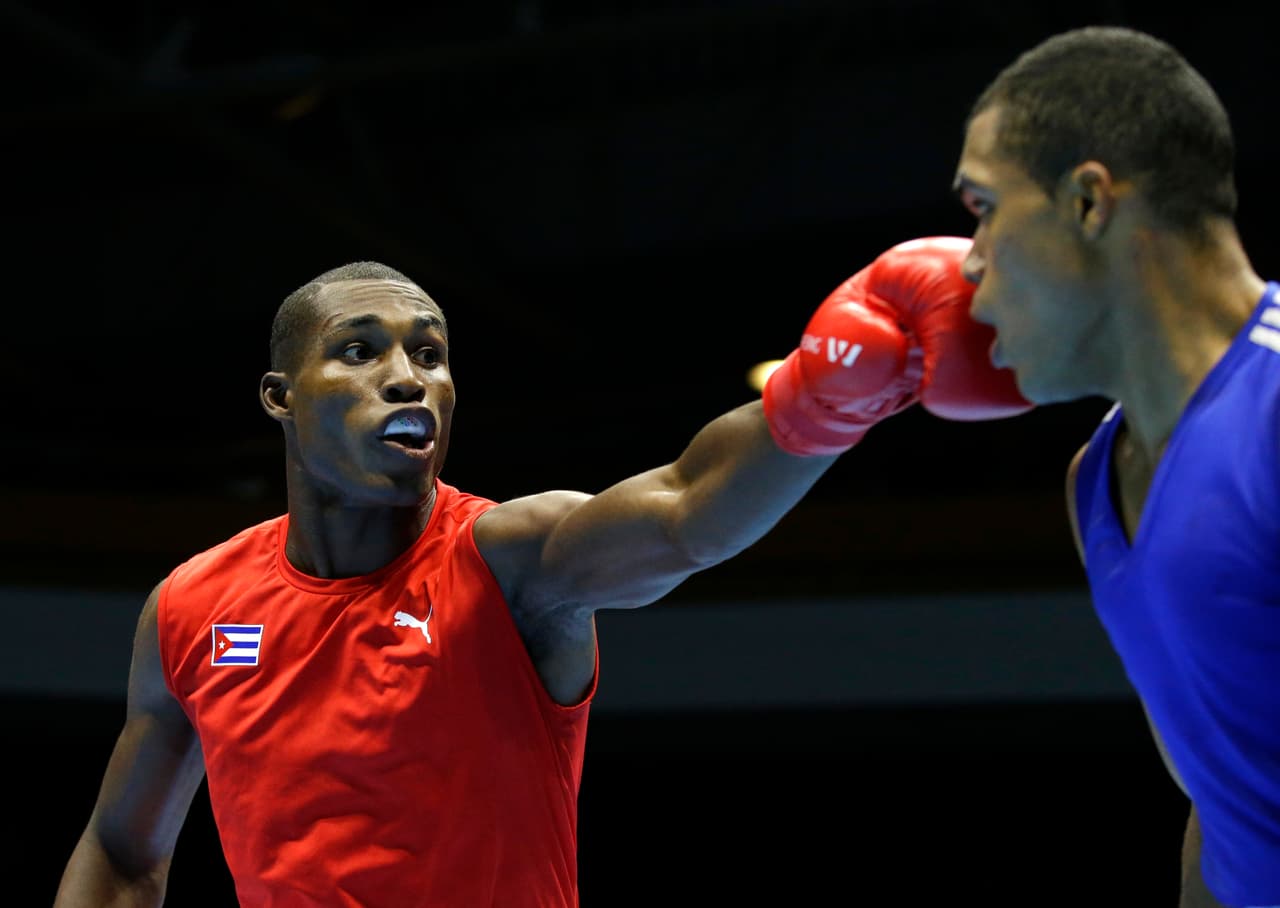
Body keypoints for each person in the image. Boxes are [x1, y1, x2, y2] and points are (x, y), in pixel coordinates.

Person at [52, 241, 1028, 907]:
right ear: (280, 396)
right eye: (360, 350)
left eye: (429, 356)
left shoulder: (513, 561)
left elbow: (686, 510)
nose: (407, 376)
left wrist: (826, 402)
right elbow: (122, 848)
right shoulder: (192, 605)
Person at [953, 24, 1280, 908]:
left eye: (982, 208)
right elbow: (1224, 805)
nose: (969, 266)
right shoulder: (1096, 484)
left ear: (1089, 201)